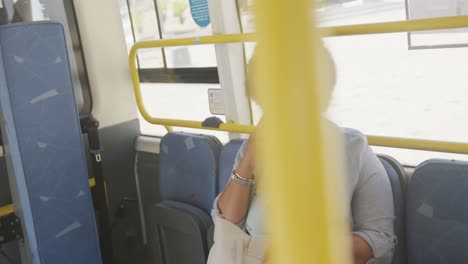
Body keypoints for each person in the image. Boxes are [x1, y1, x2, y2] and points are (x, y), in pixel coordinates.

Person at [208, 43, 396, 264]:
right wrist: (248, 161)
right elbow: (229, 226)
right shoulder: (255, 147)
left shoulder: (352, 149)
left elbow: (380, 241)